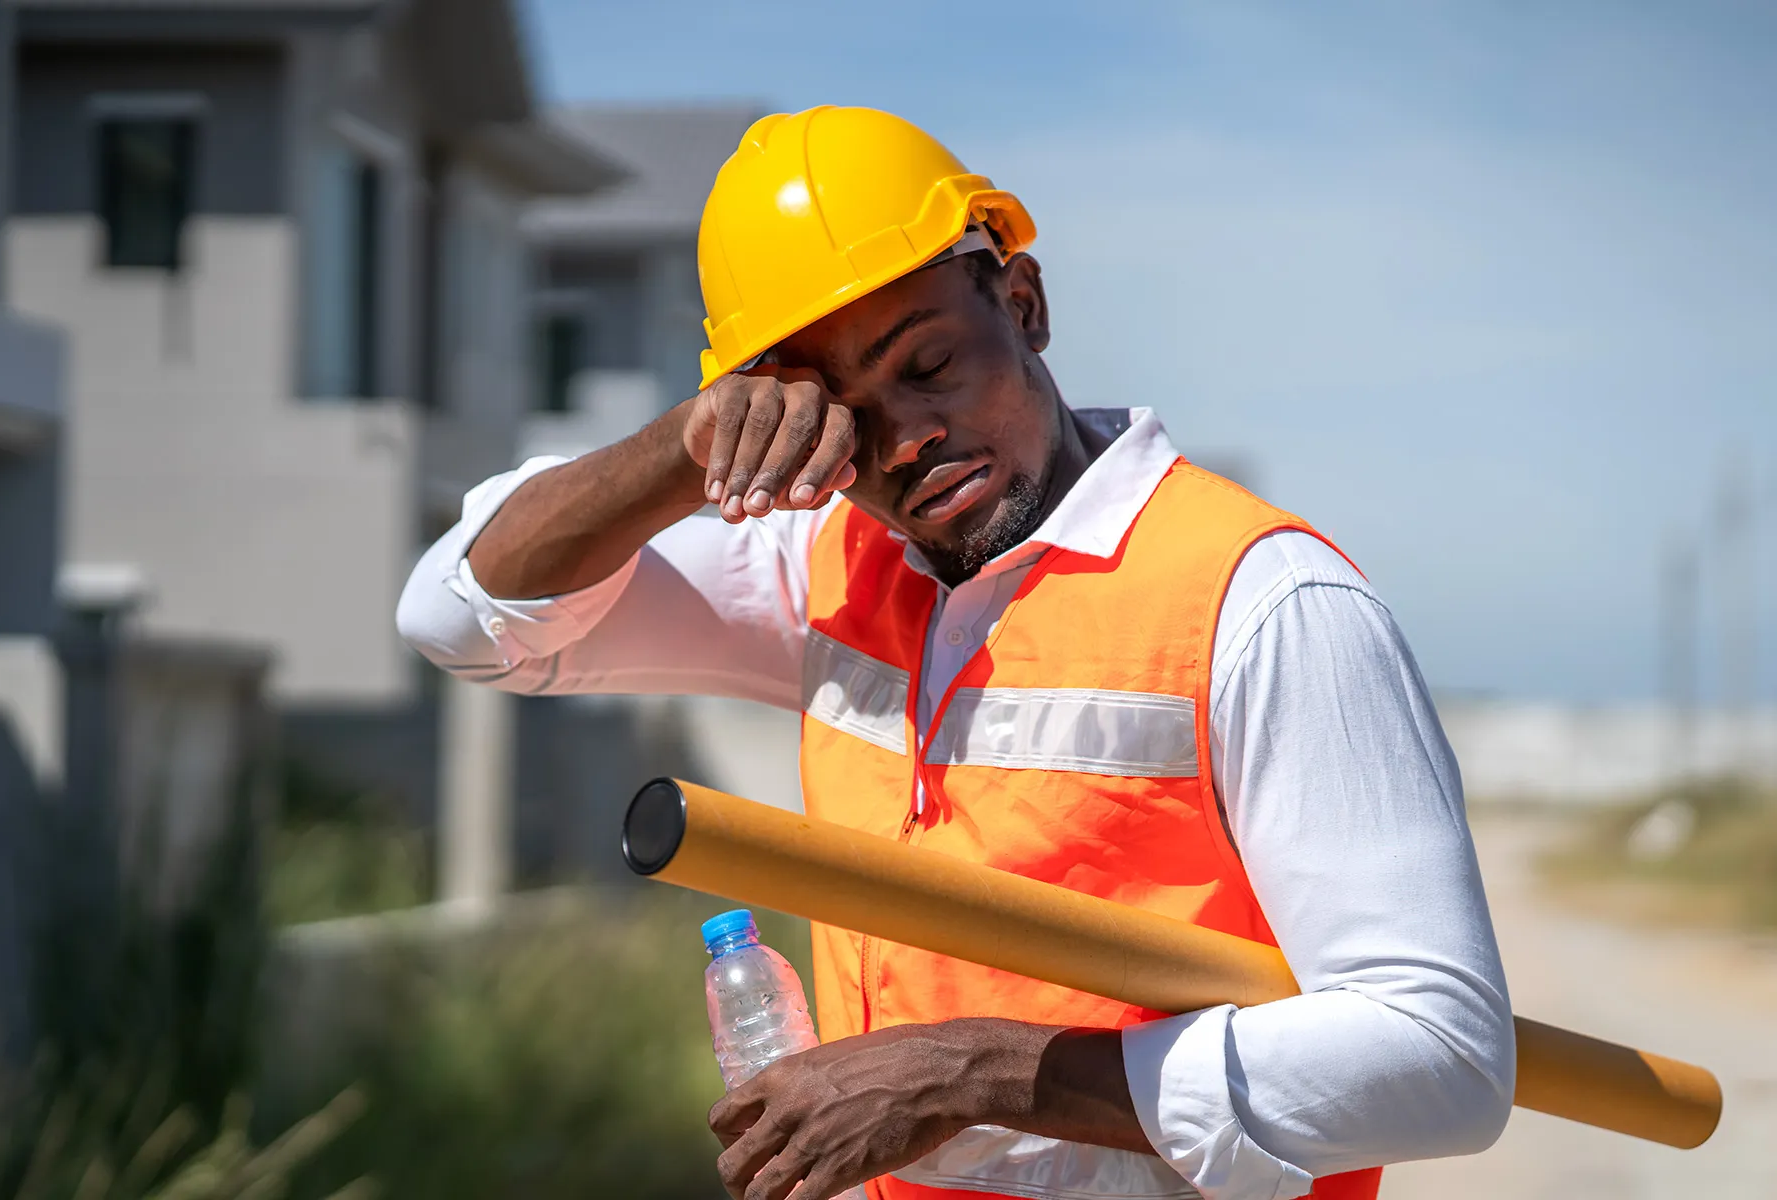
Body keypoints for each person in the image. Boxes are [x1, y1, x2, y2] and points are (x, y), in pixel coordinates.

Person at [397, 106, 1513, 1200]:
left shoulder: (1260, 601)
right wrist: (682, 451)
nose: (907, 439)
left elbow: (1442, 1059)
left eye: (928, 366)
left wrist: (974, 1072)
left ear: (1022, 304)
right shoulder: (828, 573)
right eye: (842, 411)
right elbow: (461, 620)